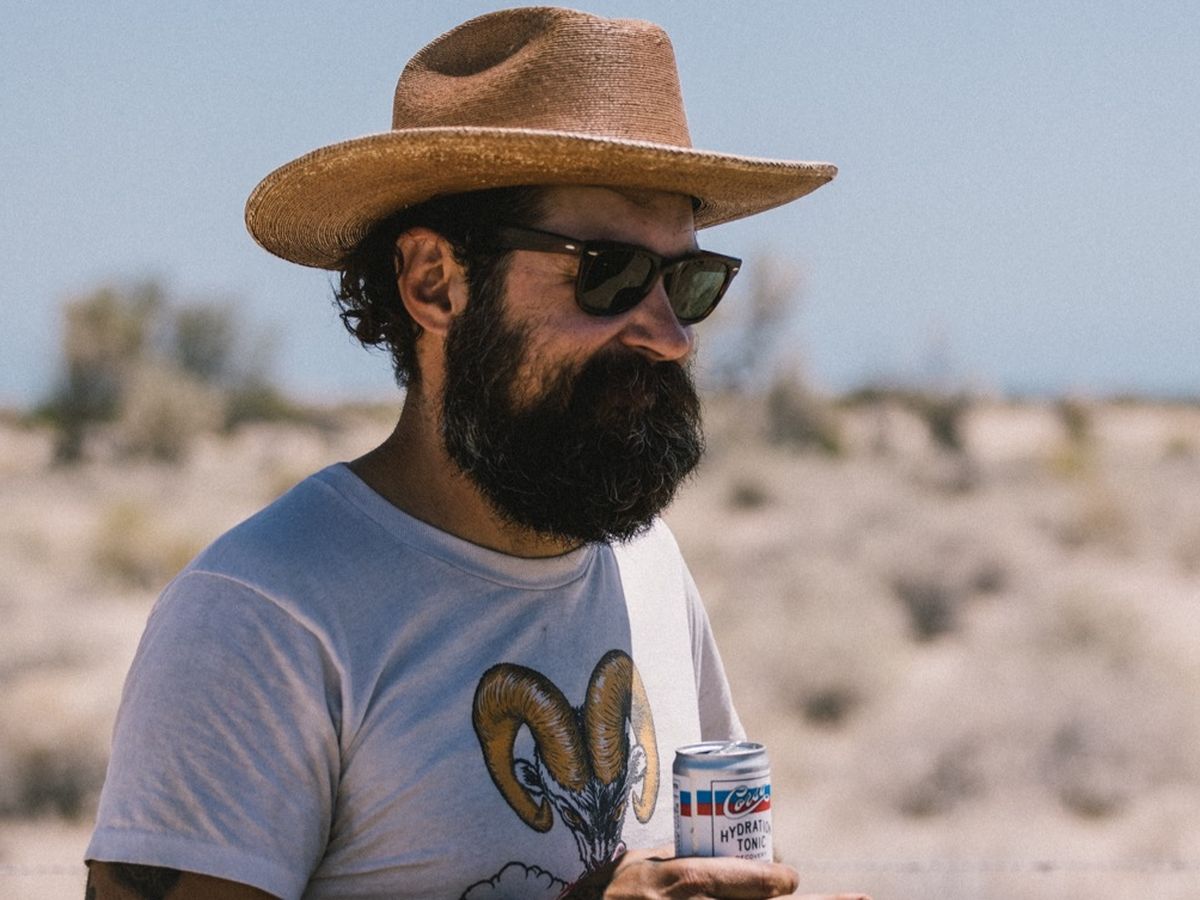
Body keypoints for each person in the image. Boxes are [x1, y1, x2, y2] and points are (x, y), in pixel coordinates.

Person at [85, 7, 862, 899]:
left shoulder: (647, 565)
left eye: (688, 282)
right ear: (434, 283)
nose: (671, 335)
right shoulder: (263, 616)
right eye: (608, 272)